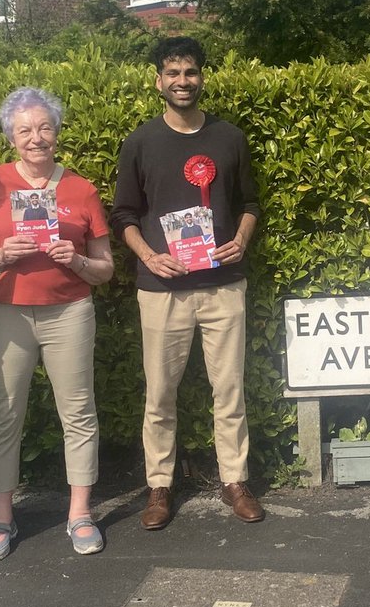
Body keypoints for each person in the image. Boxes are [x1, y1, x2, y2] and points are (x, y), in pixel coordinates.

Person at [111, 37, 264, 528]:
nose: (182, 81)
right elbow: (124, 215)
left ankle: (235, 481)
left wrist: (241, 238)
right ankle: (159, 487)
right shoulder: (139, 142)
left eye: (191, 72)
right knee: (160, 394)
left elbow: (250, 204)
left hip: (224, 282)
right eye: (173, 73)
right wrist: (150, 256)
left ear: (202, 77)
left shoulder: (229, 138)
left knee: (230, 389)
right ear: (159, 80)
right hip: (162, 290)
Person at [0, 87, 114, 560]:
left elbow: (106, 267)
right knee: (5, 415)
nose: (36, 138)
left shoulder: (81, 189)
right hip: (7, 311)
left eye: (44, 128)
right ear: (11, 136)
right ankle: (1, 517)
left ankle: (80, 514)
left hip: (69, 311)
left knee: (79, 413)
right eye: (25, 130)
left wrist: (77, 261)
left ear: (57, 132)